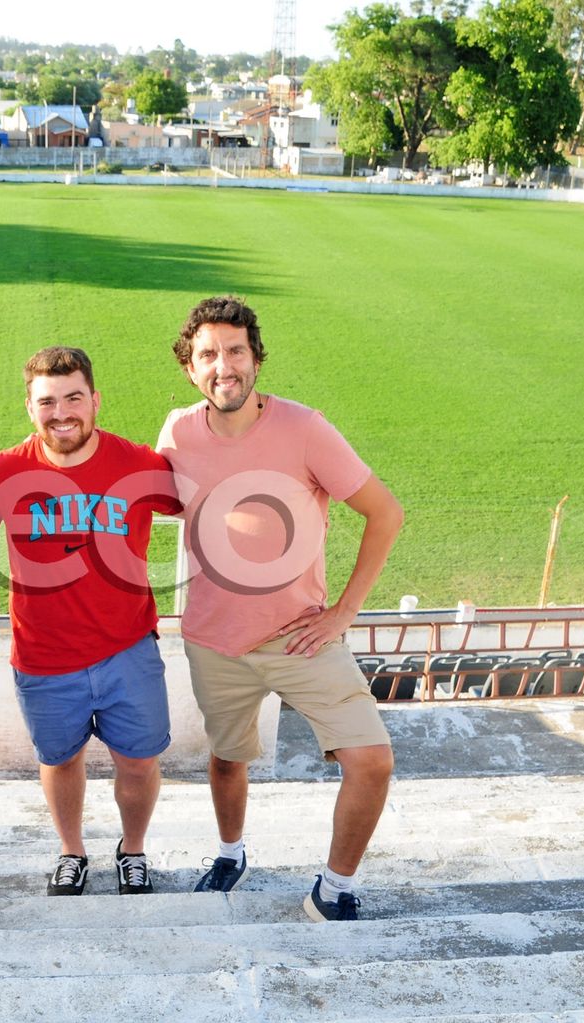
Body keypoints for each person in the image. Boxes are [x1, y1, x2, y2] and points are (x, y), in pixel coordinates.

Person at [156, 296, 403, 922]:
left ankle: (334, 888)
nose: (223, 367)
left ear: (256, 358)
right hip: (213, 640)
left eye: (235, 351)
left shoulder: (304, 428)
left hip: (301, 639)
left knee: (371, 762)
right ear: (191, 367)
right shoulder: (178, 431)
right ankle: (230, 852)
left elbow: (385, 513)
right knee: (227, 758)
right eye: (208, 354)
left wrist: (343, 614)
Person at [0, 346, 179, 896]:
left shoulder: (139, 464)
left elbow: (208, 490)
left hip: (128, 647)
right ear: (29, 409)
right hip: (44, 656)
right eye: (48, 402)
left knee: (140, 761)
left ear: (95, 400)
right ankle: (71, 851)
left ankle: (132, 849)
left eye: (74, 397)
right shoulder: (8, 470)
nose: (62, 413)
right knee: (59, 759)